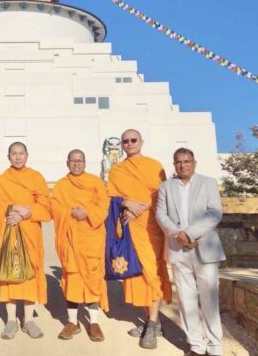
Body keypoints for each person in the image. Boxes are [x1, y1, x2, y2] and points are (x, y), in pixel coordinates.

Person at [106, 129, 172, 349]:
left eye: (133, 140)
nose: (129, 143)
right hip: (128, 231)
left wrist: (140, 208)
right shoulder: (117, 170)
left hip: (151, 228)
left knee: (152, 275)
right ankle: (154, 322)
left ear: (141, 142)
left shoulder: (154, 166)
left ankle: (151, 326)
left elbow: (163, 197)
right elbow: (111, 198)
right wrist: (126, 204)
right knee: (136, 274)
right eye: (125, 141)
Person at [156, 148, 225, 356]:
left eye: (187, 161)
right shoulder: (165, 187)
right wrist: (179, 235)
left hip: (204, 248)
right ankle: (196, 344)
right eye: (178, 162)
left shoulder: (208, 183)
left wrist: (191, 234)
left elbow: (215, 212)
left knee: (209, 299)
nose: (183, 165)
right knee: (186, 299)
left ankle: (215, 346)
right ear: (174, 165)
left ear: (194, 163)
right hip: (178, 249)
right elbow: (161, 214)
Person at [0, 142, 51, 340]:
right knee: (10, 274)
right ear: (8, 156)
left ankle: (28, 320)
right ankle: (10, 320)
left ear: (27, 155)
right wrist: (14, 209)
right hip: (10, 235)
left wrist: (28, 213)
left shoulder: (36, 177)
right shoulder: (2, 180)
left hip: (30, 234)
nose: (18, 157)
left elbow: (46, 208)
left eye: (21, 153)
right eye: (14, 154)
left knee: (30, 275)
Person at [50, 149, 109, 342]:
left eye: (80, 161)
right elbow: (54, 207)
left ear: (85, 163)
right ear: (67, 163)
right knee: (73, 280)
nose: (76, 164)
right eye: (73, 161)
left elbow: (103, 205)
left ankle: (93, 323)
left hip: (91, 238)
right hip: (70, 240)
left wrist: (87, 213)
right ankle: (72, 322)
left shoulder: (95, 182)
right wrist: (70, 212)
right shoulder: (61, 185)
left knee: (93, 280)